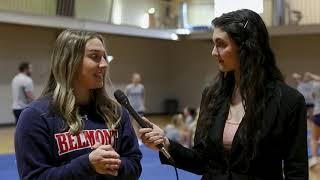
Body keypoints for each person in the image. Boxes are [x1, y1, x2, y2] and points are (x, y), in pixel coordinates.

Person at [139, 9, 308, 179]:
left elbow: (297, 172)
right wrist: (166, 144)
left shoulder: (290, 101)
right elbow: (202, 161)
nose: (214, 52)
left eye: (221, 44)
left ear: (246, 47)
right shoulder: (212, 95)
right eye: (214, 44)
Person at [15, 29, 142, 179]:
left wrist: (113, 163)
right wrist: (88, 165)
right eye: (95, 56)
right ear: (69, 62)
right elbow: (34, 177)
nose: (104, 64)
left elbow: (134, 165)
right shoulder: (35, 116)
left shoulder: (116, 112)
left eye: (104, 57)